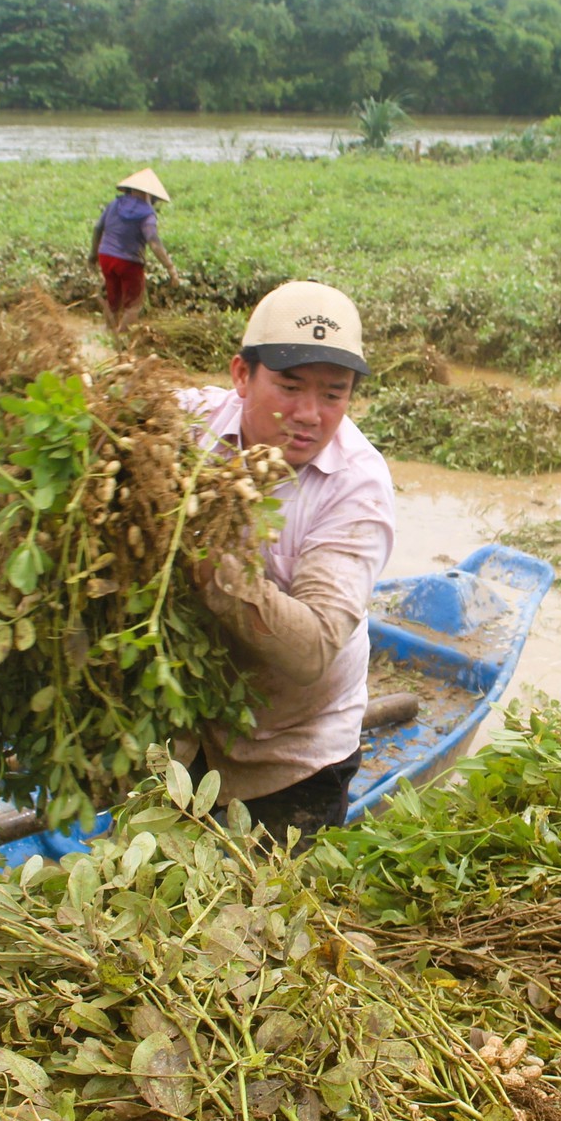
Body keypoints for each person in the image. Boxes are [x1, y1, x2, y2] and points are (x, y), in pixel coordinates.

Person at [177, 280, 395, 847]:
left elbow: (313, 648)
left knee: (256, 900)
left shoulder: (357, 489)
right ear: (242, 375)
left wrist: (207, 564)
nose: (309, 414)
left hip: (291, 755)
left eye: (333, 394)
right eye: (290, 386)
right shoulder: (191, 423)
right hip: (184, 724)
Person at [90, 168, 179, 340]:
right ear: (149, 195)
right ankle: (122, 341)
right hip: (129, 262)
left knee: (113, 300)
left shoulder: (114, 204)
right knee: (133, 305)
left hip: (106, 257)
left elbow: (97, 228)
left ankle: (108, 335)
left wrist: (93, 255)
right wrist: (170, 268)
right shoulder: (147, 214)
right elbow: (153, 242)